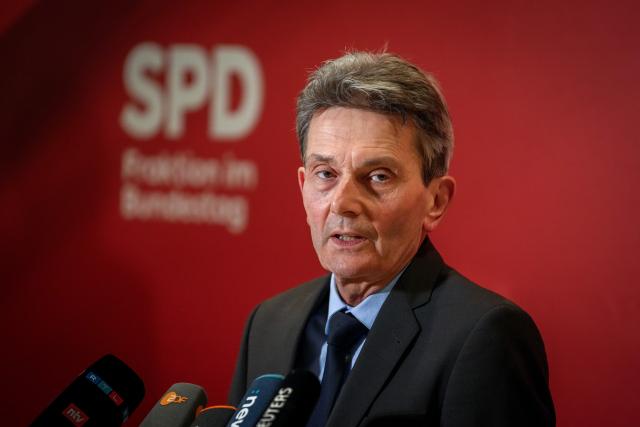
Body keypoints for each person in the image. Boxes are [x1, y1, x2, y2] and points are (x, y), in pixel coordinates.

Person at [228, 51, 555, 426]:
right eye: (325, 174)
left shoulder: (485, 338)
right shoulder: (269, 323)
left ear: (436, 200)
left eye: (379, 176)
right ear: (303, 186)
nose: (344, 203)